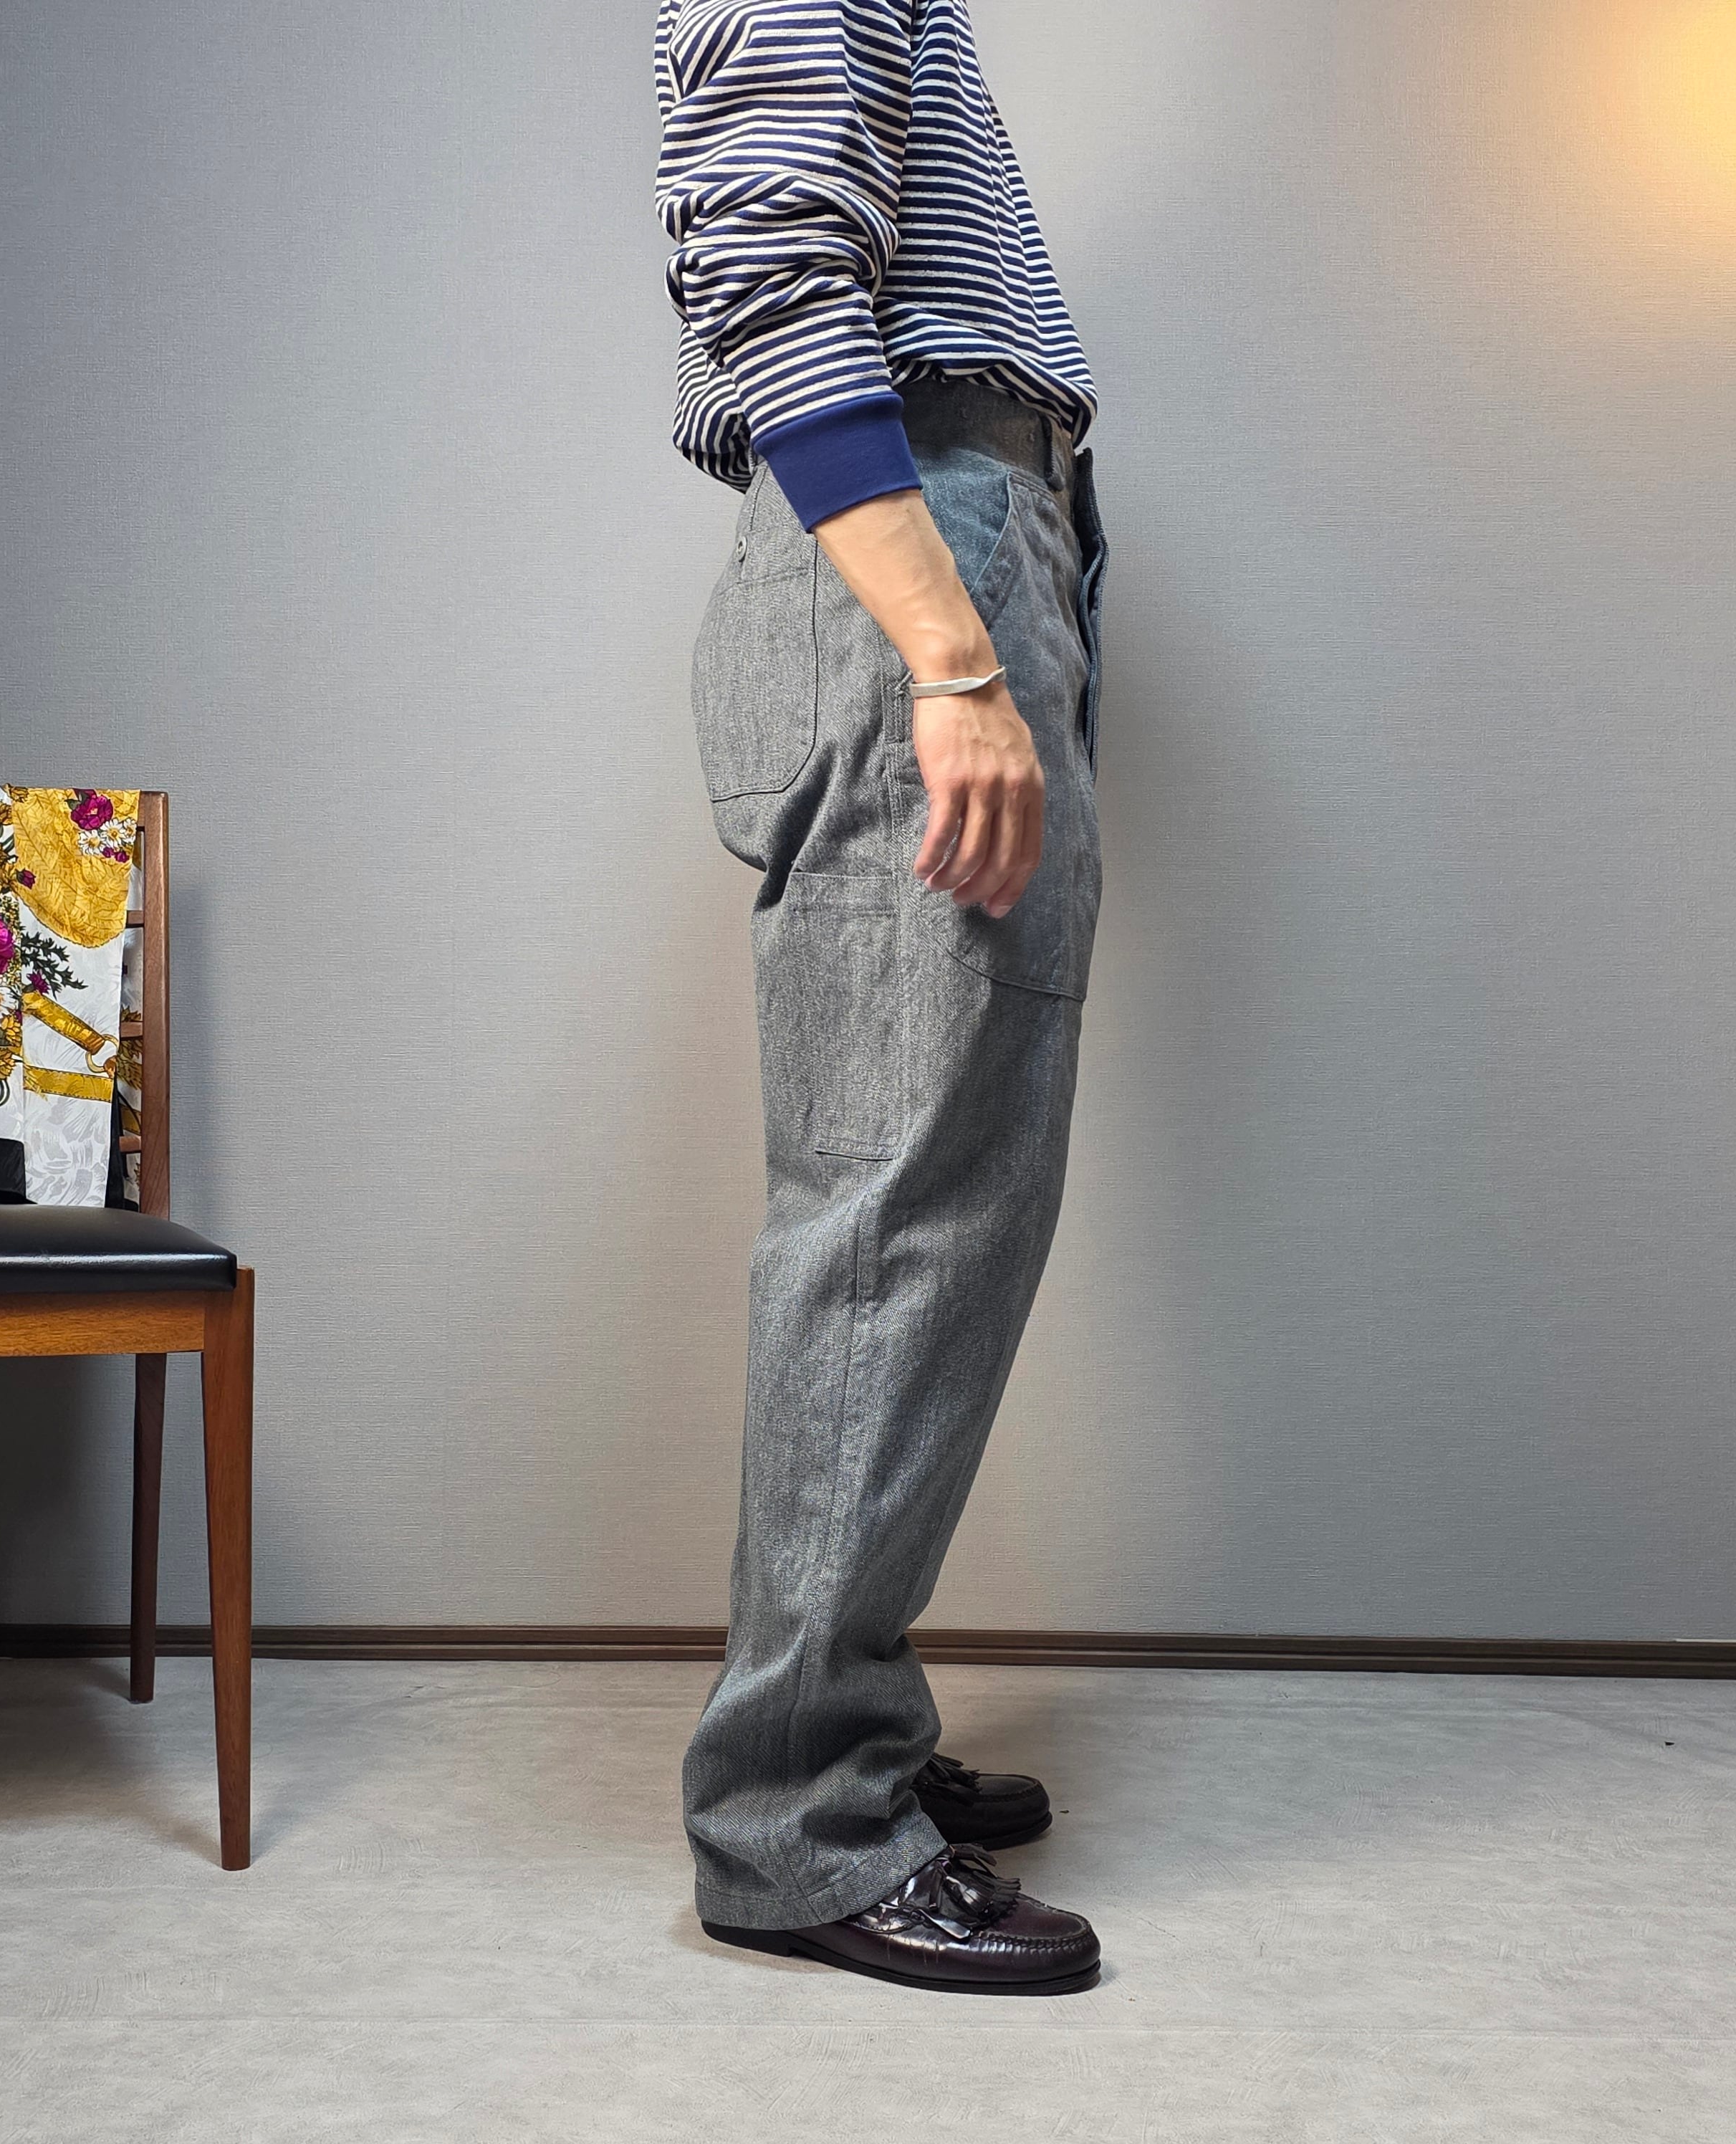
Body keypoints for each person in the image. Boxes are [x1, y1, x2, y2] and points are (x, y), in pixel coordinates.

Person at [655, 0, 1108, 1996]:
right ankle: (799, 1825)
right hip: (920, 552)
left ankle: (843, 1730)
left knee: (938, 1201)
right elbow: (768, 260)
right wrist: (951, 653)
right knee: (895, 1213)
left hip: (957, 536)